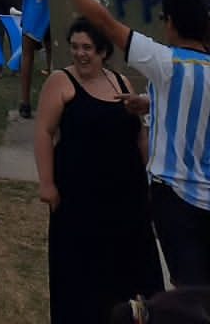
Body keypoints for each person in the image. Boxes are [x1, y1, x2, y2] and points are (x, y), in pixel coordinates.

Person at [33, 0, 210, 287]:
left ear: (171, 23)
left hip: (177, 199)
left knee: (189, 292)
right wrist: (149, 104)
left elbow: (101, 19)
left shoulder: (165, 63)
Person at [34, 17, 164, 323]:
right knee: (82, 271)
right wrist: (47, 184)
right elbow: (43, 132)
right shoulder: (60, 82)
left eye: (87, 48)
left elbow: (139, 134)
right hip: (80, 196)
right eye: (75, 47)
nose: (80, 54)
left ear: (103, 51)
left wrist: (150, 176)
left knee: (130, 268)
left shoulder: (120, 82)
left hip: (125, 194)